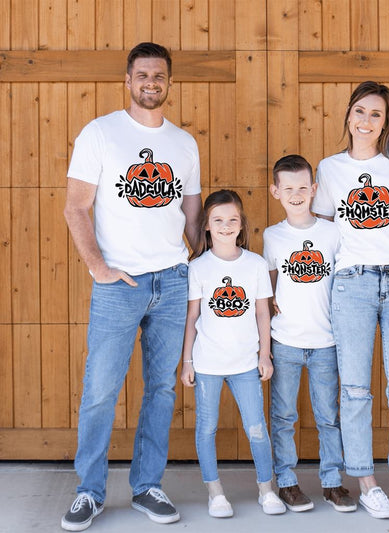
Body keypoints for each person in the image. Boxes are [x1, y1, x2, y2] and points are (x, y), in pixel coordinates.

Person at [61, 42, 202, 531]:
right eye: (141, 75)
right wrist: (98, 267)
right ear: (127, 79)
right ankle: (89, 492)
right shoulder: (100, 134)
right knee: (101, 388)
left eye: (158, 76)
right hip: (120, 282)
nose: (150, 82)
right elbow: (75, 207)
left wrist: (202, 257)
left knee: (161, 389)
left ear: (168, 82)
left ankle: (146, 486)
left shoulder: (184, 144)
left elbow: (190, 212)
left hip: (173, 279)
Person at [312, 80, 389, 519]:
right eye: (360, 112)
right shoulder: (329, 169)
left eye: (376, 114)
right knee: (356, 390)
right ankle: (366, 482)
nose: (366, 121)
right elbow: (321, 234)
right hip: (351, 284)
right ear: (348, 114)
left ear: (387, 122)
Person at [180, 189, 286, 518]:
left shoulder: (254, 265)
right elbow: (193, 317)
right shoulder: (198, 267)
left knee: (256, 427)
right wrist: (187, 362)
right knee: (206, 428)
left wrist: (265, 355)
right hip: (208, 363)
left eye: (232, 220)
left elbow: (263, 314)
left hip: (245, 363)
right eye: (218, 220)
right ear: (207, 226)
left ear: (242, 225)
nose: (226, 226)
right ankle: (215, 493)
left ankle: (267, 489)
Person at [263, 154, 356, 513]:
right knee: (284, 416)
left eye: (303, 187)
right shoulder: (273, 236)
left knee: (328, 417)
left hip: (326, 342)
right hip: (285, 340)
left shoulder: (332, 233)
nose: (297, 194)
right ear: (276, 192)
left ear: (314, 190)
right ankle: (286, 481)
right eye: (289, 188)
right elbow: (268, 289)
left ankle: (332, 483)